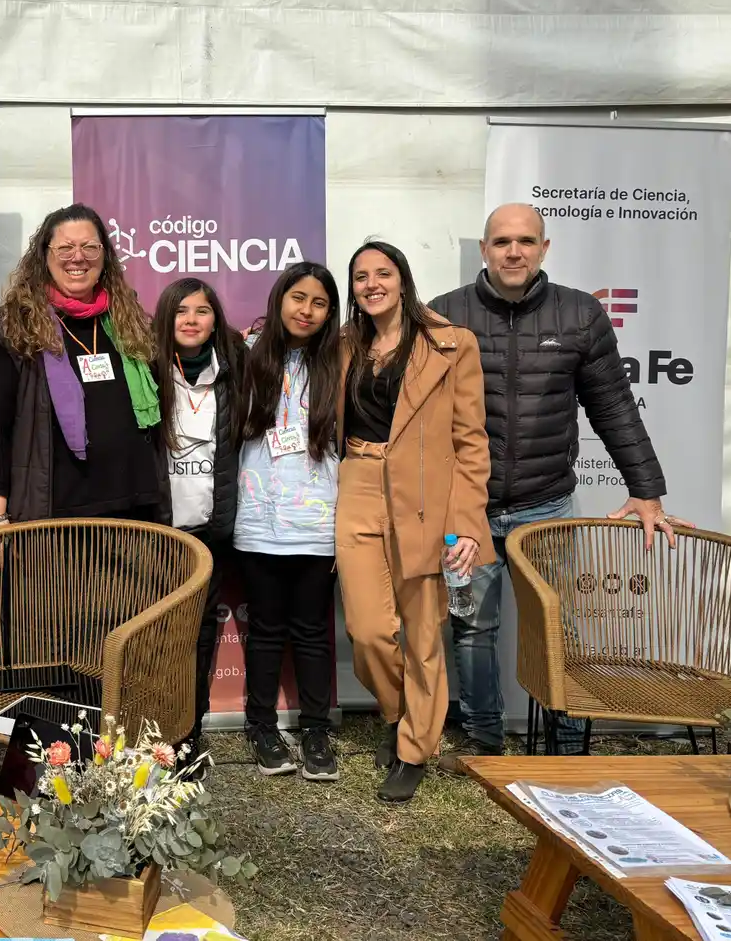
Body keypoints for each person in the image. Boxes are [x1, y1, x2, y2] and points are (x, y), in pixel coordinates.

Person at [430, 202, 691, 767]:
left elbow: (613, 406)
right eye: (502, 242)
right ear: (483, 249)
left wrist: (646, 490)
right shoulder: (443, 317)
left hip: (545, 504)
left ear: (544, 248)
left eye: (526, 240)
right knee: (472, 624)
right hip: (466, 511)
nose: (514, 251)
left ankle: (567, 744)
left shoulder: (580, 314)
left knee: (555, 626)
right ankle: (483, 743)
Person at [335, 240, 494, 803]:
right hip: (357, 479)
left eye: (382, 273)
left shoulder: (452, 345)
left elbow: (471, 443)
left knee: (423, 630)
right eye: (360, 277)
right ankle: (401, 712)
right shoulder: (346, 345)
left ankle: (414, 747)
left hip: (426, 494)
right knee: (369, 629)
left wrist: (468, 524)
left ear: (403, 279)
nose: (371, 284)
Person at [0, 203, 165, 525]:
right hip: (55, 519)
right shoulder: (12, 328)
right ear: (44, 256)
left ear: (104, 255)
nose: (78, 258)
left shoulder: (127, 320)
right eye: (64, 248)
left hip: (136, 512)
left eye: (89, 247)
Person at [230, 263, 343, 782]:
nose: (306, 310)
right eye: (298, 298)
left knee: (313, 633)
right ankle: (261, 725)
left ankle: (317, 728)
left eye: (318, 303)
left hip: (319, 522)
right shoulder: (247, 357)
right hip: (259, 519)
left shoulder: (340, 364)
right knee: (268, 631)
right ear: (279, 300)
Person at [151, 277, 247, 759]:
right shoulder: (144, 371)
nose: (191, 320)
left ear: (215, 320)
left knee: (201, 630)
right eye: (181, 311)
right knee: (155, 632)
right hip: (159, 532)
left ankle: (189, 733)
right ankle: (152, 733)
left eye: (202, 311)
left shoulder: (233, 371)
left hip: (210, 529)